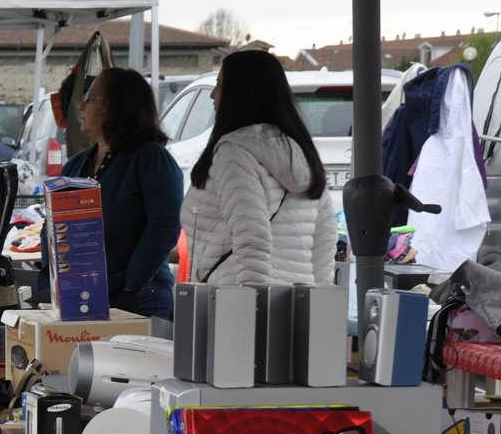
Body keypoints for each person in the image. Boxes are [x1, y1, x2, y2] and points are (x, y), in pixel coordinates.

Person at [181, 49, 336, 287]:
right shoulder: (304, 154)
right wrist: (317, 302)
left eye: (220, 84)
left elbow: (251, 235)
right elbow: (324, 240)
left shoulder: (234, 153)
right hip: (296, 303)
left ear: (241, 92)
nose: (213, 94)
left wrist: (254, 304)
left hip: (237, 302)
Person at [59, 67, 183, 318]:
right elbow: (53, 225)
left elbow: (165, 226)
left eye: (90, 97)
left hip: (137, 301)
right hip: (83, 297)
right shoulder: (77, 164)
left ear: (115, 106)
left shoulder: (151, 158)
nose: (81, 106)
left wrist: (132, 282)